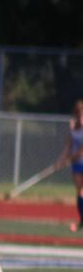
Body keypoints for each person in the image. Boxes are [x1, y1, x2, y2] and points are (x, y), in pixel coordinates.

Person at [54, 99, 83, 232]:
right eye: (79, 115)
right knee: (80, 192)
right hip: (76, 165)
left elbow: (81, 150)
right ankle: (81, 220)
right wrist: (60, 161)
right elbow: (68, 147)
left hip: (78, 160)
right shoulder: (73, 130)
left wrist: (70, 158)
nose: (80, 118)